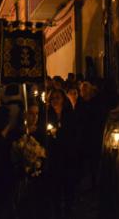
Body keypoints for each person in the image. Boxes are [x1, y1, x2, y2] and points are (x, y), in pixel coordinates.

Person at [46, 89, 79, 219]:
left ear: (63, 99)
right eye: (53, 98)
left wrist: (58, 133)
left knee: (68, 187)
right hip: (54, 157)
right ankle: (57, 212)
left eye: (58, 97)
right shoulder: (48, 114)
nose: (55, 100)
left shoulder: (69, 114)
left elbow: (73, 133)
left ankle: (68, 210)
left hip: (68, 156)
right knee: (55, 188)